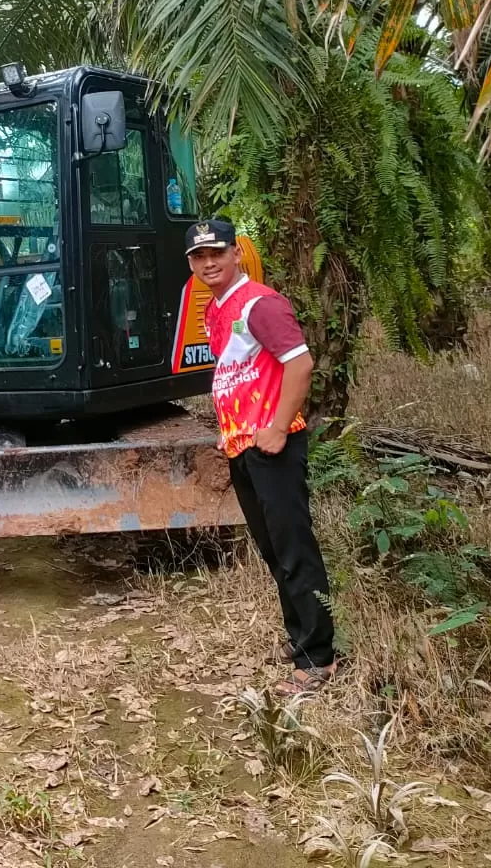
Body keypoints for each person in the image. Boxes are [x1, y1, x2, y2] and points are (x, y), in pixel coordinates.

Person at [184, 218, 339, 694]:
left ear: (236, 254)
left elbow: (301, 364)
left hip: (274, 444)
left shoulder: (261, 304)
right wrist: (230, 431)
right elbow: (238, 372)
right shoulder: (216, 309)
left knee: (294, 548)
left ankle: (319, 659)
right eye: (198, 256)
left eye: (217, 253)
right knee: (273, 549)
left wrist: (275, 429)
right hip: (243, 444)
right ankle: (302, 639)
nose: (208, 263)